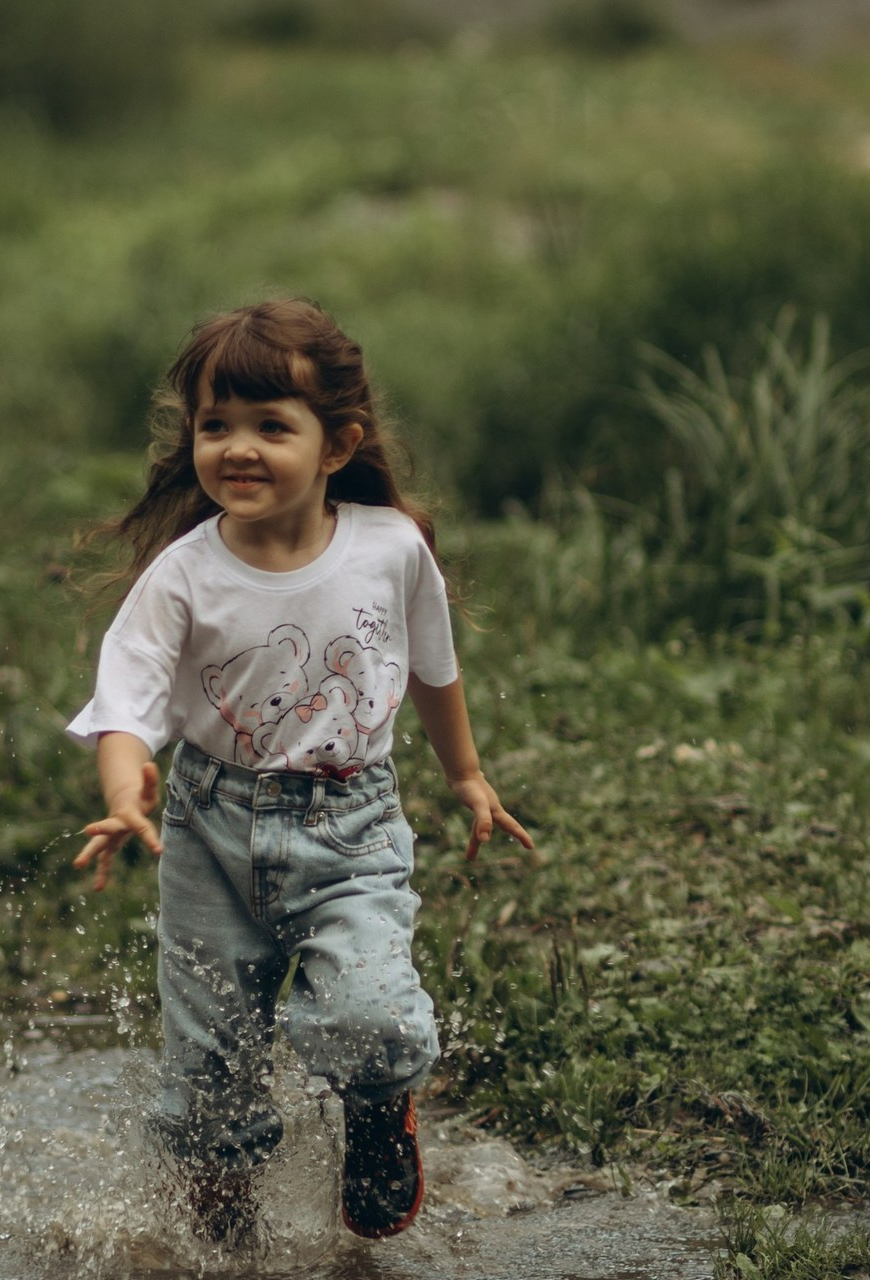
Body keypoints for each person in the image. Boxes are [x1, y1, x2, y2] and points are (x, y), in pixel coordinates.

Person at [68, 298, 534, 1245]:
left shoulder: (390, 549)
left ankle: (377, 1113)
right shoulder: (183, 574)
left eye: (270, 426)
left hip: (351, 824)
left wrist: (468, 777)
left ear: (336, 445)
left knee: (369, 1009)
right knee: (209, 1070)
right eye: (215, 426)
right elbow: (126, 697)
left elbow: (433, 666)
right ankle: (225, 1241)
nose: (237, 448)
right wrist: (126, 793)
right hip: (209, 831)